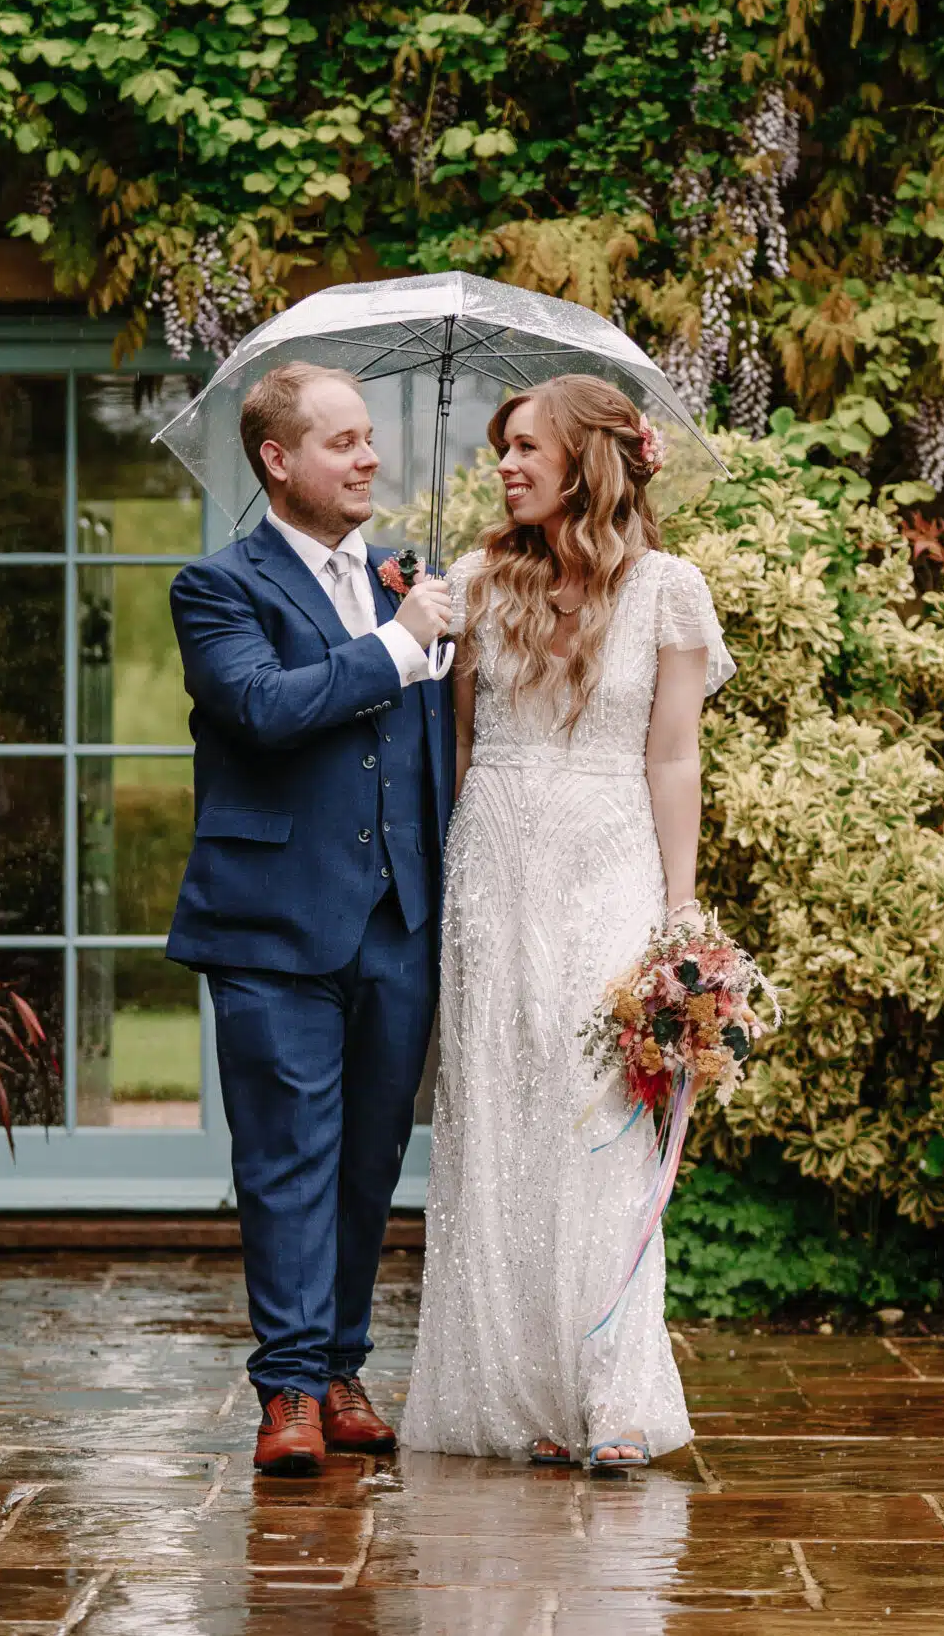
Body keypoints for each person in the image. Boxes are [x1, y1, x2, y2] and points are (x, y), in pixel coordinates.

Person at [401, 373, 733, 1469]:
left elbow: (673, 755)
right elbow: (451, 749)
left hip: (608, 867)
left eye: (526, 446)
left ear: (590, 457)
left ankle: (618, 1400)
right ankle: (519, 1402)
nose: (503, 464)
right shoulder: (474, 582)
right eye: (502, 448)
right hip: (493, 867)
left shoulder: (669, 591)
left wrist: (679, 920)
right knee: (495, 1119)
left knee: (596, 1124)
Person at [166, 360, 456, 1477]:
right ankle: (284, 1389)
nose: (369, 457)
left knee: (367, 1162)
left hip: (396, 917)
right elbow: (262, 708)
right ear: (278, 460)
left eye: (370, 437)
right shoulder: (219, 586)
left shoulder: (406, 582)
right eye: (342, 442)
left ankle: (338, 1370)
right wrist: (397, 643)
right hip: (271, 922)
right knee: (287, 1157)